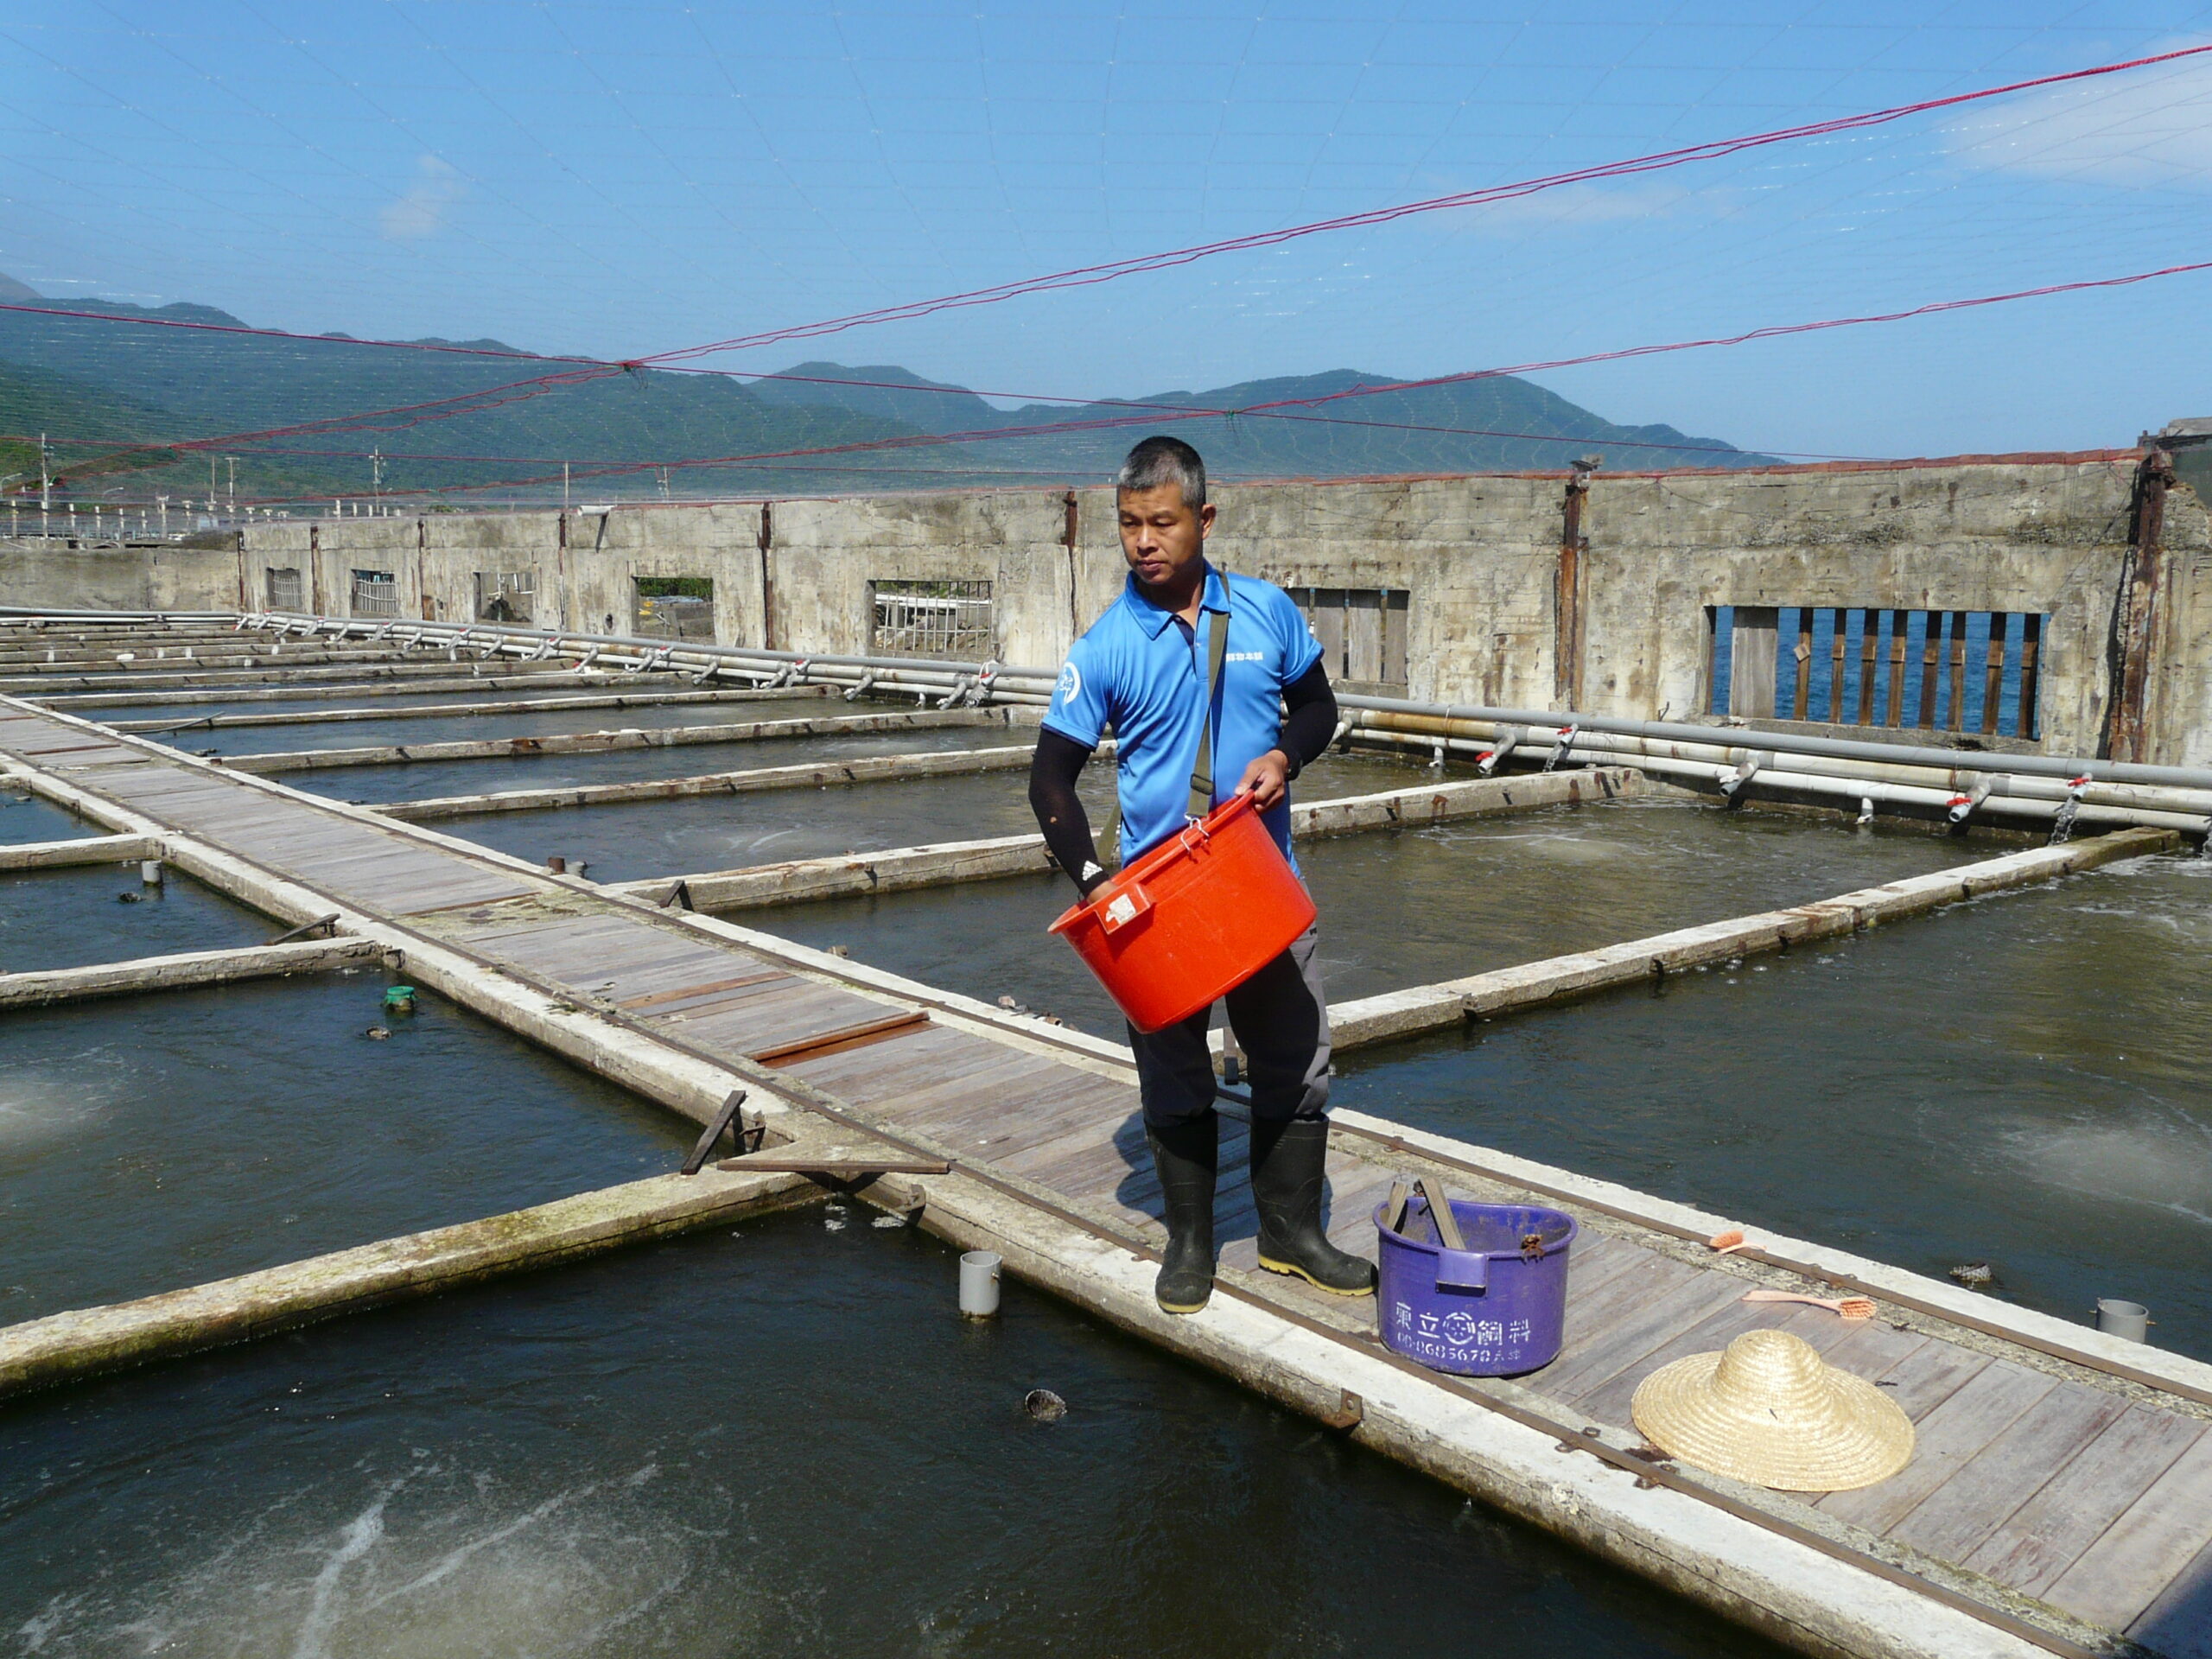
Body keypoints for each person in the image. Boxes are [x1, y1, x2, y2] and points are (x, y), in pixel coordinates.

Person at [1028, 435, 1376, 1315]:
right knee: (1175, 1073)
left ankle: (1291, 1236)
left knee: (1293, 1062)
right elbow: (1048, 780)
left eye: (1162, 522)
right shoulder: (1105, 645)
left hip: (1261, 886)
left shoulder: (1264, 612)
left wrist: (1285, 757)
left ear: (1203, 519)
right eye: (1129, 525)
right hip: (1158, 900)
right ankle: (1189, 1244)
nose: (1144, 541)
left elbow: (1320, 707)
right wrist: (1094, 879)